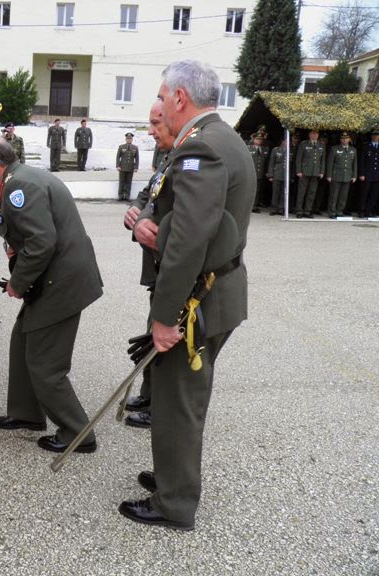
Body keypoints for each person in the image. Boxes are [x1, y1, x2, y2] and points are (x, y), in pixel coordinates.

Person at [121, 60, 255, 531]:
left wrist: (163, 317)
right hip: (212, 292)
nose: (157, 106)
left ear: (180, 98)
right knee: (182, 397)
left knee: (179, 402)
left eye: (161, 96)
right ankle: (170, 477)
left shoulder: (204, 148)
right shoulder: (222, 139)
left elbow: (187, 243)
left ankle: (174, 504)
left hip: (201, 297)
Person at [0, 134, 103, 454]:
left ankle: (77, 432)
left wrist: (17, 283)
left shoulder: (18, 187)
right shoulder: (19, 178)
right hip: (54, 278)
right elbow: (30, 236)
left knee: (46, 363)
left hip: (61, 283)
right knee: (22, 340)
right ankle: (27, 414)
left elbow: (42, 243)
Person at [121, 100, 175, 430]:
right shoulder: (167, 159)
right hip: (156, 265)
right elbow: (146, 196)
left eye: (156, 123)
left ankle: (160, 407)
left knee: (163, 335)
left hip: (171, 262)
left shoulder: (188, 160)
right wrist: (138, 216)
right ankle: (149, 393)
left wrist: (142, 219)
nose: (150, 131)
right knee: (152, 328)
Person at [326, 132, 357, 219]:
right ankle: (332, 211)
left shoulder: (353, 150)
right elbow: (330, 163)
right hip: (336, 175)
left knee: (343, 195)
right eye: (343, 138)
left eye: (346, 138)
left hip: (347, 175)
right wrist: (329, 175)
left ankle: (340, 211)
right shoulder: (334, 149)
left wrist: (354, 175)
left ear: (349, 139)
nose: (344, 140)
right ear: (340, 140)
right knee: (334, 195)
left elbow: (354, 164)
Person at [295, 129, 325, 218]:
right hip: (304, 172)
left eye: (316, 133)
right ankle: (299, 210)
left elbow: (322, 160)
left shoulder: (321, 145)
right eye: (313, 133)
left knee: (312, 193)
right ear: (309, 134)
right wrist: (298, 170)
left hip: (315, 172)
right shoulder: (303, 144)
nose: (315, 135)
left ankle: (308, 211)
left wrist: (322, 171)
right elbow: (299, 158)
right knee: (301, 192)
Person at [267, 135, 296, 217]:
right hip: (277, 174)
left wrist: (292, 176)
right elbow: (271, 163)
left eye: (288, 141)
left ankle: (281, 208)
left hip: (286, 175)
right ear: (282, 141)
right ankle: (274, 208)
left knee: (284, 193)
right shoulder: (276, 150)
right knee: (275, 192)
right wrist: (271, 175)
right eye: (285, 141)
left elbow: (292, 165)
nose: (286, 143)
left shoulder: (291, 151)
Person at [357, 128, 379, 218]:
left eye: (377, 135)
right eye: (374, 135)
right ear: (371, 136)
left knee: (374, 194)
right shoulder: (366, 146)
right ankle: (361, 210)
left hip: (377, 175)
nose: (375, 137)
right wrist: (361, 174)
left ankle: (369, 211)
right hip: (367, 174)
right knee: (364, 193)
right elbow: (361, 161)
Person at [248, 132, 268, 213]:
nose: (259, 141)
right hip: (251, 173)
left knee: (257, 190)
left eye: (260, 139)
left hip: (259, 173)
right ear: (253, 139)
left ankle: (254, 206)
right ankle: (248, 206)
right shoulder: (248, 148)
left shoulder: (264, 149)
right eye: (257, 139)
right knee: (249, 190)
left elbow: (266, 161)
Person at [116, 132, 139, 201]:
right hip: (122, 167)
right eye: (128, 138)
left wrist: (136, 167)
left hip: (130, 168)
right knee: (122, 182)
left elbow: (137, 158)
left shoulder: (135, 147)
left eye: (130, 138)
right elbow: (118, 157)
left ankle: (127, 196)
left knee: (129, 182)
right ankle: (120, 196)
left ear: (132, 139)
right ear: (125, 139)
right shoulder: (121, 147)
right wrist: (118, 166)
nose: (129, 140)